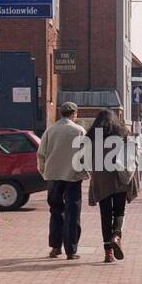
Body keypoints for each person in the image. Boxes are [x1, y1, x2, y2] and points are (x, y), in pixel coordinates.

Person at [37, 102, 88, 259]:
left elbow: (41, 153)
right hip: (72, 176)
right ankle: (71, 250)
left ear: (60, 113)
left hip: (53, 176)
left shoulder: (50, 130)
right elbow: (85, 154)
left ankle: (55, 247)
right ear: (73, 113)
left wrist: (44, 171)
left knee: (55, 211)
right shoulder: (79, 131)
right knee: (73, 213)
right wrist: (85, 172)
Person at [87, 111, 140, 263]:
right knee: (119, 211)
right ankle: (116, 235)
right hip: (120, 179)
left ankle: (108, 253)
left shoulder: (92, 138)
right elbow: (132, 155)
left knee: (105, 215)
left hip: (101, 180)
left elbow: (84, 160)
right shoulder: (123, 135)